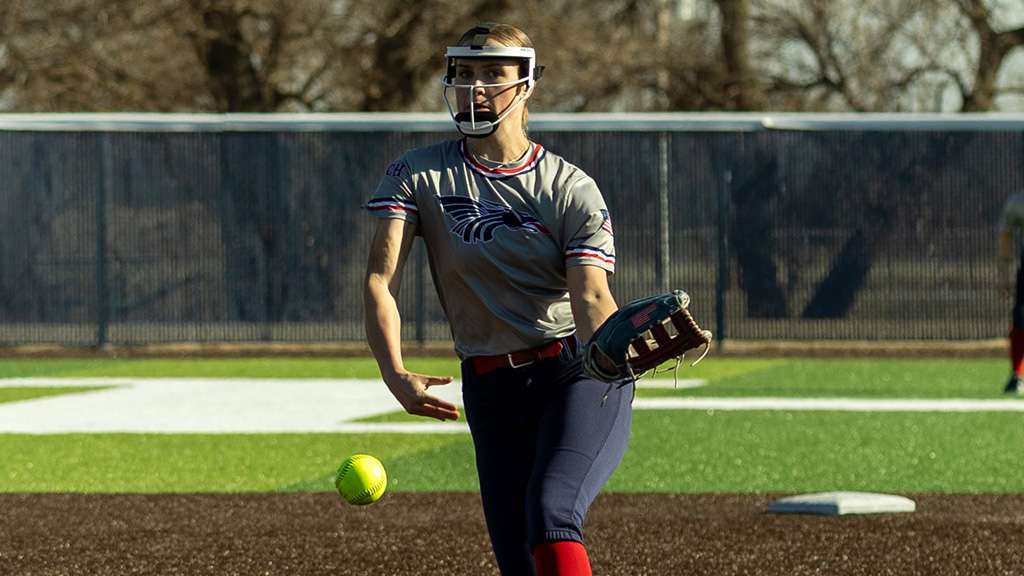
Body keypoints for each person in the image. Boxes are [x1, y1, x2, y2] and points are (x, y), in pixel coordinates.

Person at [363, 22, 630, 576]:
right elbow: (379, 280)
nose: (475, 87)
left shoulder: (569, 188)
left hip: (575, 374)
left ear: (526, 84)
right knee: (518, 560)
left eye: (492, 74)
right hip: (489, 384)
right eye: (464, 74)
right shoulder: (416, 173)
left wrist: (610, 350)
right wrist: (393, 372)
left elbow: (589, 295)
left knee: (551, 514)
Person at [998, 189, 1024, 395]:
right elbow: (1005, 234)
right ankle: (1017, 375)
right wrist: (1004, 273)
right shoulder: (1018, 202)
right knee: (1020, 321)